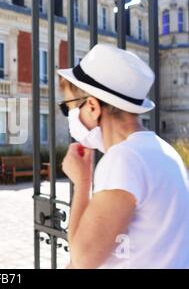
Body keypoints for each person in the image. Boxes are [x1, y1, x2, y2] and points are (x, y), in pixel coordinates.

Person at [57, 44, 189, 269]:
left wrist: (82, 182)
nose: (70, 116)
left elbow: (82, 259)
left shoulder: (124, 159)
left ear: (92, 106)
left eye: (68, 107)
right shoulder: (164, 151)